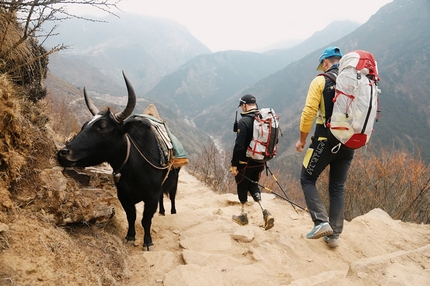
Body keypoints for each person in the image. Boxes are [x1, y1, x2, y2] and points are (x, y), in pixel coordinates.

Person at [295, 46, 354, 248]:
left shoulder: (321, 80)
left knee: (307, 178)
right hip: (349, 141)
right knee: (337, 186)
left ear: (326, 62)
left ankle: (321, 222)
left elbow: (309, 112)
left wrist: (302, 139)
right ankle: (334, 234)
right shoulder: (355, 81)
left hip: (325, 140)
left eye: (322, 64)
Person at [229, 94, 274, 230]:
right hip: (260, 161)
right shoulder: (262, 118)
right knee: (253, 184)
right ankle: (265, 212)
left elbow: (239, 145)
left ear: (244, 105)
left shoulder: (244, 122)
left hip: (245, 162)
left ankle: (243, 215)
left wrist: (234, 164)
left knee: (242, 185)